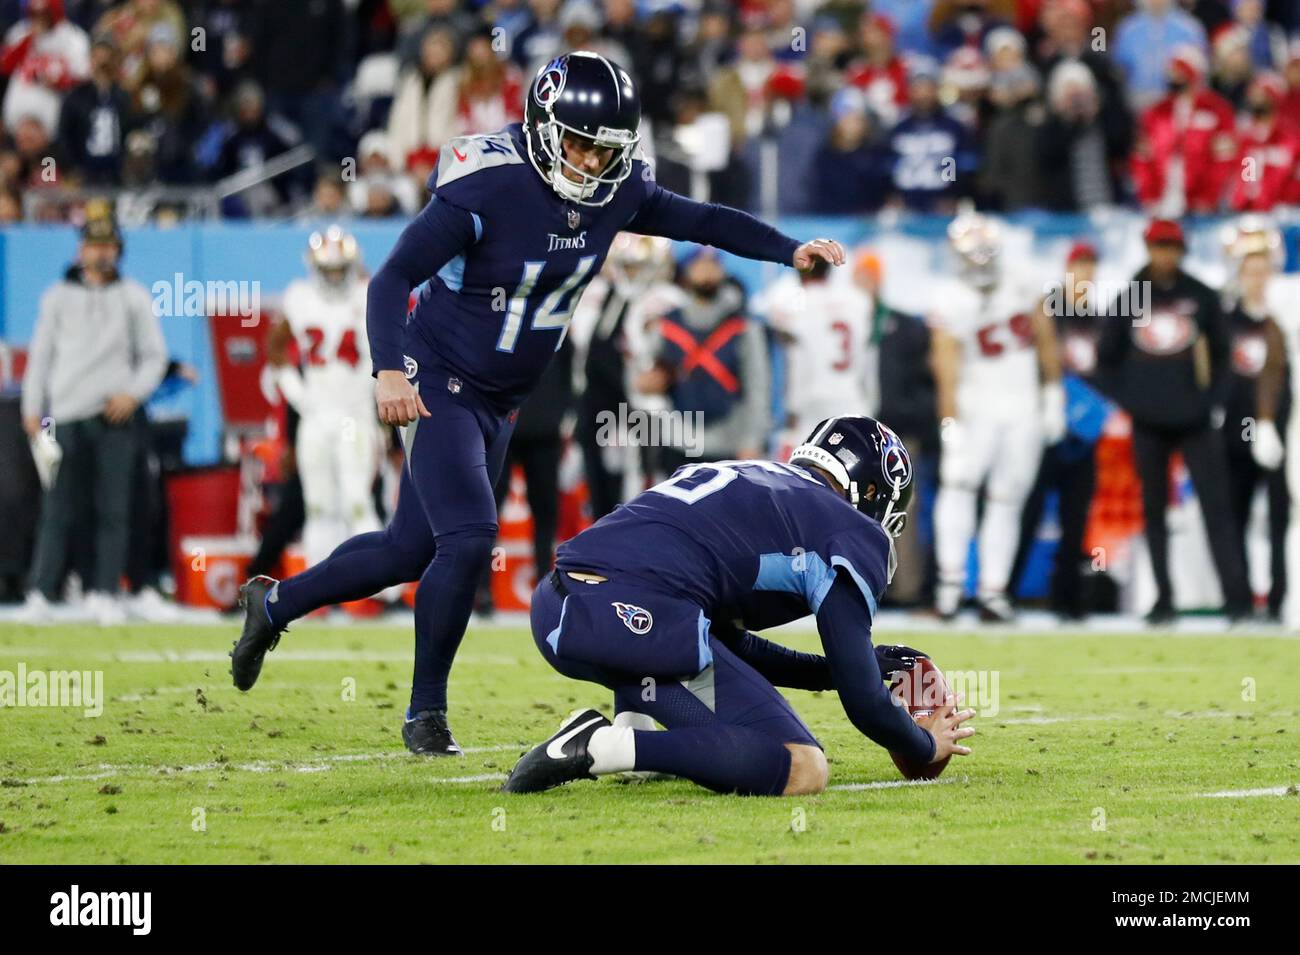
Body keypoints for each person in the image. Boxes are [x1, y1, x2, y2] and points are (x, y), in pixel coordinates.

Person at [230, 51, 847, 757]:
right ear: (544, 127)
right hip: (441, 376)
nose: (590, 161)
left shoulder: (617, 190)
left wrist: (788, 248)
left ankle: (272, 604)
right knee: (467, 538)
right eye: (580, 143)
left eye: (605, 148)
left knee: (409, 548)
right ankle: (424, 712)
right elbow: (391, 277)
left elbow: (702, 220)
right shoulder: (488, 183)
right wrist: (390, 370)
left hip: (503, 398)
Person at [501, 416, 975, 796]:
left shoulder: (752, 480)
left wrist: (830, 671)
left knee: (694, 654)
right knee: (802, 766)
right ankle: (597, 746)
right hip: (627, 618)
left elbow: (725, 641)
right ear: (872, 493)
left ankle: (635, 717)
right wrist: (926, 743)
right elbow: (866, 705)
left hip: (561, 608)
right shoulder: (849, 528)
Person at [1096, 218, 1252, 624]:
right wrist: (1132, 401)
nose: (1164, 255)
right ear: (1147, 250)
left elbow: (1224, 356)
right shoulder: (1131, 296)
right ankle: (1162, 599)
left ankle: (1238, 599)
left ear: (1181, 250)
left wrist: (1211, 402)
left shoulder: (1200, 295)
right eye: (1157, 247)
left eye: (1171, 247)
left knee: (1217, 508)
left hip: (1195, 421)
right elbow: (1105, 359)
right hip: (1149, 421)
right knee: (1153, 509)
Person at [19, 217, 167, 625]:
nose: (101, 253)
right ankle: (42, 591)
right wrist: (32, 408)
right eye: (94, 245)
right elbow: (42, 355)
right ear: (81, 250)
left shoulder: (133, 297)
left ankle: (104, 591)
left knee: (114, 509)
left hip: (113, 417)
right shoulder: (58, 297)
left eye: (109, 246)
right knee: (58, 509)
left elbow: (154, 357)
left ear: (118, 251)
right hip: (66, 413)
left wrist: (132, 395)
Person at [929, 212, 1066, 622]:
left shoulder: (1023, 280)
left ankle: (993, 591)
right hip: (976, 410)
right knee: (959, 488)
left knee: (1007, 499)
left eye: (987, 254)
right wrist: (950, 427)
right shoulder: (949, 297)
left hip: (1022, 407)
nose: (981, 263)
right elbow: (946, 368)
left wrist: (1053, 395)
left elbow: (1045, 338)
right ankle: (950, 588)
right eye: (974, 255)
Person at [265, 227, 382, 571]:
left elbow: (391, 347)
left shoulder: (367, 294)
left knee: (356, 500)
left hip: (355, 415)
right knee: (318, 505)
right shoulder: (299, 296)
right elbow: (274, 349)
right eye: (327, 270)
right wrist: (299, 394)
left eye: (339, 269)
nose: (333, 277)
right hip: (316, 416)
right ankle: (322, 583)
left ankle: (377, 585)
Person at [1012, 241, 1109, 620]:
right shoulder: (1048, 310)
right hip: (1044, 425)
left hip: (1082, 434)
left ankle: (1066, 599)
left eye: (1090, 269)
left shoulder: (1098, 318)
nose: (1085, 276)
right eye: (1079, 268)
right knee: (1028, 509)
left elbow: (1106, 373)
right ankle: (1006, 591)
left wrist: (1093, 412)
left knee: (1076, 516)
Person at [635, 247, 770, 466]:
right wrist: (647, 385)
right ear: (687, 272)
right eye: (700, 266)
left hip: (730, 441)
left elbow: (758, 387)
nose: (707, 272)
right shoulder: (665, 325)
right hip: (678, 439)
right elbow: (641, 376)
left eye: (713, 265)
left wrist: (753, 439)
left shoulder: (743, 327)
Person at [1220, 221, 1288, 621]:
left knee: (1282, 519)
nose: (1257, 279)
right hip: (1234, 430)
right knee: (1234, 517)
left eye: (1263, 270)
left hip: (1282, 429)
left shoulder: (1285, 318)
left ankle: (1281, 599)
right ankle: (1240, 601)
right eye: (1250, 270)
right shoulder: (1225, 319)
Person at [759, 254, 877, 451]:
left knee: (802, 474)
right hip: (852, 396)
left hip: (810, 401)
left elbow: (766, 308)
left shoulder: (795, 302)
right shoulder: (858, 300)